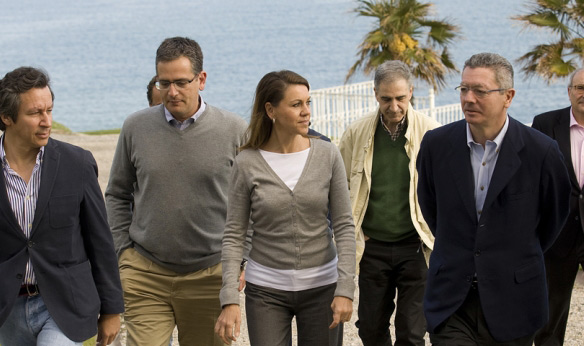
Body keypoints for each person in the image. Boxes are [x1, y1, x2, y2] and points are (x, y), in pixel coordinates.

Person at [0, 66, 124, 345]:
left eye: (49, 110)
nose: (47, 121)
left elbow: (100, 240)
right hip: (7, 310)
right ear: (7, 117)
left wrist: (112, 308)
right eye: (35, 113)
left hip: (67, 305)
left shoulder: (77, 164)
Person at [416, 52, 571, 344]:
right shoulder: (436, 145)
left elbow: (553, 218)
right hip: (451, 299)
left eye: (480, 91)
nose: (468, 98)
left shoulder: (542, 152)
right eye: (463, 89)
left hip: (515, 301)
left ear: (508, 96)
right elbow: (431, 205)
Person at [105, 36, 247, 346]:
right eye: (163, 83)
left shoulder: (235, 130)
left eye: (181, 82)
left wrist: (241, 260)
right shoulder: (135, 127)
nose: (171, 92)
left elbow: (253, 201)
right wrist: (123, 253)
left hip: (210, 276)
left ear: (202, 79)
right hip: (145, 274)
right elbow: (117, 193)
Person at [214, 70, 356, 346]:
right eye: (296, 104)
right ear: (271, 110)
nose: (306, 112)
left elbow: (344, 226)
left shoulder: (328, 155)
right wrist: (229, 298)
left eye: (308, 103)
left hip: (322, 287)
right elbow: (234, 234)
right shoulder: (247, 162)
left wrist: (345, 289)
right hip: (266, 290)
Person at [339, 60, 439, 345]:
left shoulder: (432, 133)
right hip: (373, 246)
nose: (393, 106)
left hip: (416, 247)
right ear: (375, 94)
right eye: (386, 99)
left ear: (411, 92)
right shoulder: (356, 134)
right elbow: (340, 187)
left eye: (400, 98)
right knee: (370, 329)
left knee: (412, 332)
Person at [531, 67, 584, 345]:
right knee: (550, 316)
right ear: (569, 91)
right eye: (580, 88)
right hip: (557, 234)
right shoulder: (545, 123)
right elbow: (531, 177)